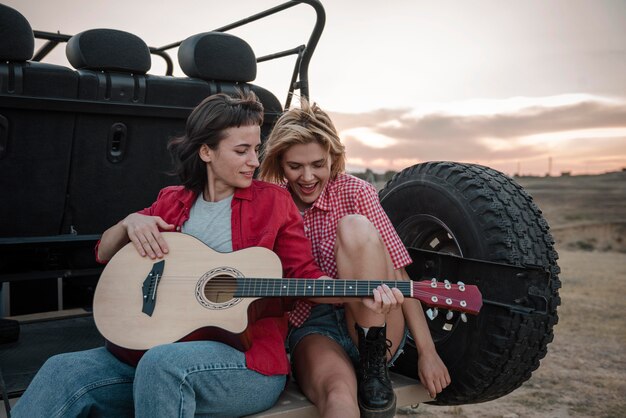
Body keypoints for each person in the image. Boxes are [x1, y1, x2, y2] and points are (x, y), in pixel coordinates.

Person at [11, 91, 392, 418]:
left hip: (244, 364)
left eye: (256, 149)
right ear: (206, 151)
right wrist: (129, 224)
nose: (255, 162)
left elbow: (304, 275)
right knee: (62, 369)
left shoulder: (272, 202)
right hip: (149, 355)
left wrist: (357, 291)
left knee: (164, 366)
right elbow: (103, 250)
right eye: (241, 151)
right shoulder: (172, 202)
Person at [259, 99, 451, 418]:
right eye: (295, 166)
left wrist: (427, 352)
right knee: (338, 396)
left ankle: (372, 365)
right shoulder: (273, 201)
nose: (307, 177)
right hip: (313, 324)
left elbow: (401, 277)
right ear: (280, 163)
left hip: (375, 317)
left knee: (355, 226)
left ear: (333, 158)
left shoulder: (356, 191)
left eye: (318, 164)